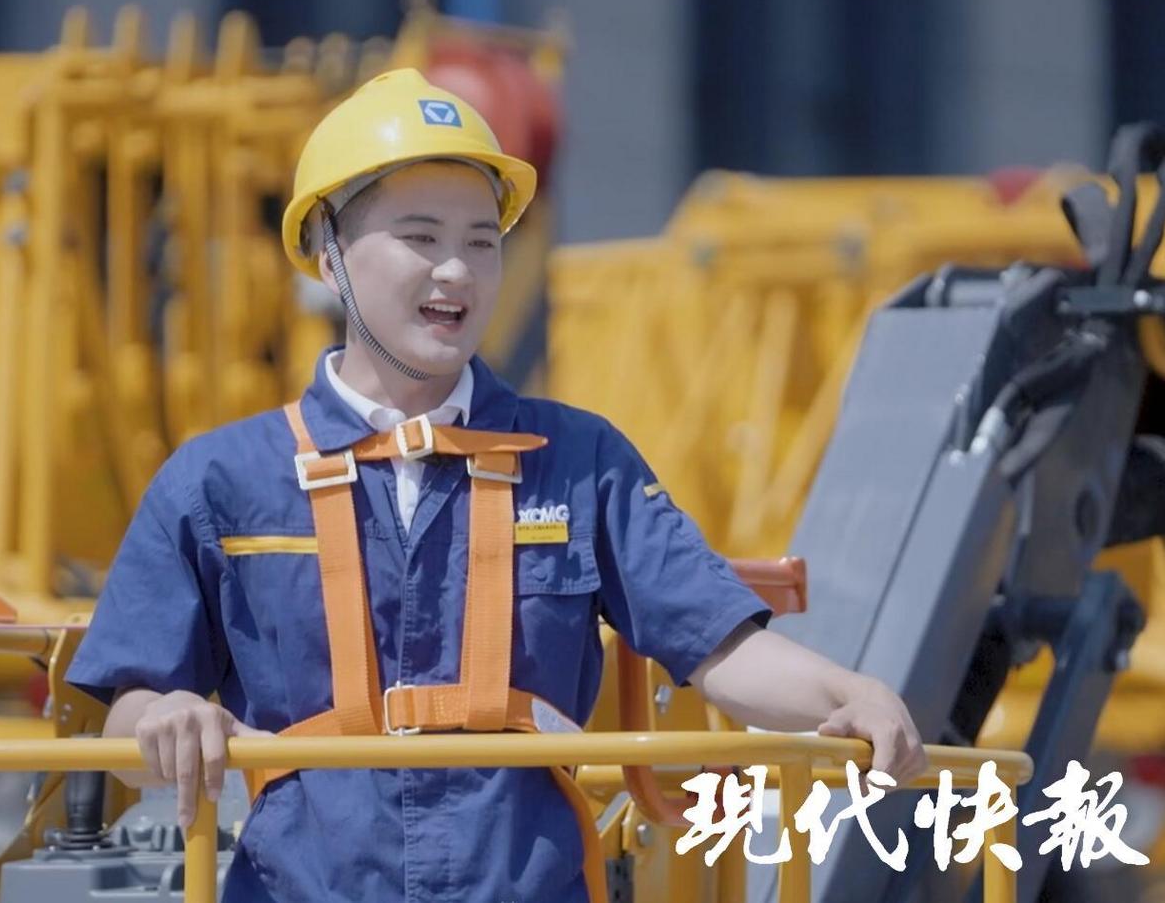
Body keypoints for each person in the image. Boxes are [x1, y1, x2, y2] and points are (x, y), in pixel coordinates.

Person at [66, 68, 926, 902]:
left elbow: (718, 645)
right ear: (329, 255)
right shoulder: (220, 481)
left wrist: (848, 693)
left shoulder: (578, 460)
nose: (457, 271)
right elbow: (126, 709)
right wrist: (168, 714)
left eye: (482, 241)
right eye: (421, 237)